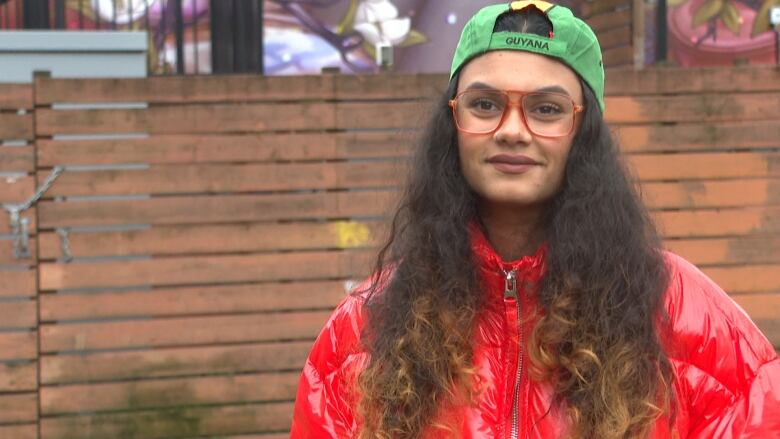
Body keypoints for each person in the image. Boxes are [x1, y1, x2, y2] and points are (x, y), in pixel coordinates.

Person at [290, 1, 780, 437]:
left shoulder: (685, 313)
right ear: (452, 122)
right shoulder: (362, 331)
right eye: (485, 104)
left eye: (546, 109)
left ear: (584, 132)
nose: (512, 131)